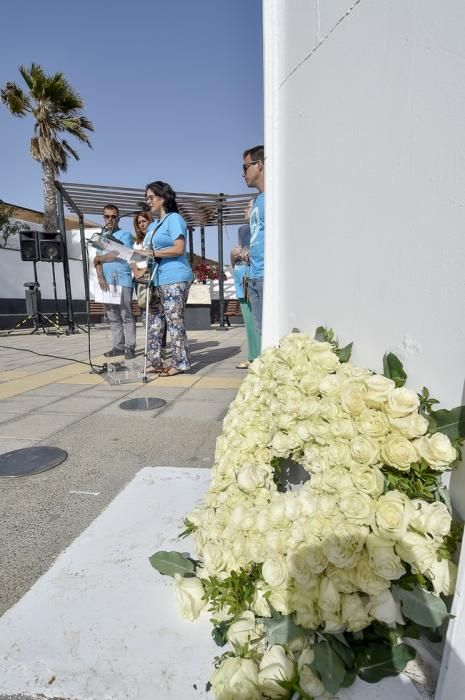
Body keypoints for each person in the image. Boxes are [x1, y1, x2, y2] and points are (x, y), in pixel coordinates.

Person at [141, 181, 193, 376]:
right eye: (147, 198)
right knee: (153, 322)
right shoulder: (154, 225)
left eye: (151, 197)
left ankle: (181, 362)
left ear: (163, 197)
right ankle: (155, 361)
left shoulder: (174, 219)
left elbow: (179, 248)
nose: (148, 201)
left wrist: (155, 252)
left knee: (174, 321)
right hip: (156, 279)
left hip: (175, 277)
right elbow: (150, 252)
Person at [94, 204, 136, 359]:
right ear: (103, 217)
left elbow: (119, 254)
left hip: (123, 280)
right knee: (113, 316)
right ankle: (118, 346)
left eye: (113, 216)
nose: (110, 219)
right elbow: (96, 260)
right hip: (106, 282)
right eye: (107, 216)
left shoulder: (125, 235)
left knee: (127, 315)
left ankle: (130, 347)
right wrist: (100, 276)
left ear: (118, 218)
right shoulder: (101, 236)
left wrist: (100, 257)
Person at [230, 200, 261, 368]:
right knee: (248, 320)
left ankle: (259, 357)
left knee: (256, 319)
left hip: (253, 275)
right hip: (240, 276)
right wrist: (233, 255)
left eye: (248, 206)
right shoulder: (242, 230)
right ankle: (252, 356)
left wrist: (250, 254)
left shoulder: (261, 229)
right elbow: (234, 262)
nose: (245, 209)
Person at [242, 145, 265, 338]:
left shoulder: (273, 199)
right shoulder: (258, 201)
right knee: (261, 331)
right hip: (254, 274)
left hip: (267, 274)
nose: (243, 174)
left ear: (259, 165)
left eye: (245, 167)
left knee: (270, 333)